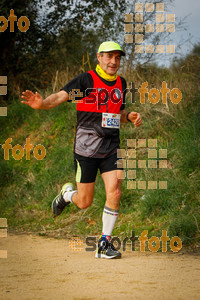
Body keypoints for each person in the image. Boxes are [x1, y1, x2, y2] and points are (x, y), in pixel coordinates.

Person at [21, 41, 142, 259]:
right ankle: (67, 194)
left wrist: (129, 117)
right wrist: (43, 104)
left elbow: (118, 113)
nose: (114, 61)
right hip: (86, 150)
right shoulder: (87, 81)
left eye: (117, 57)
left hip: (111, 148)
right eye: (109, 56)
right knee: (84, 202)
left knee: (115, 190)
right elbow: (60, 97)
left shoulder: (121, 84)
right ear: (99, 57)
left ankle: (104, 244)